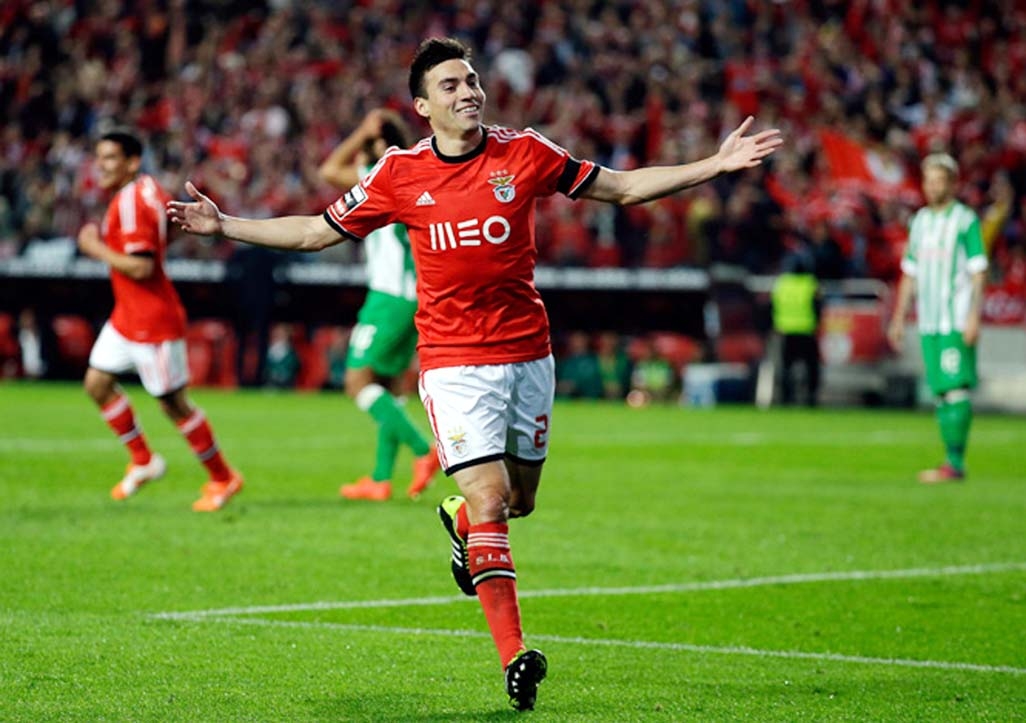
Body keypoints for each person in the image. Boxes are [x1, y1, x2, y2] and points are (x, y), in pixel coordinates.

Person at [167, 37, 782, 710]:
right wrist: (224, 225)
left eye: (473, 80)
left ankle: (460, 517)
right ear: (423, 106)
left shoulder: (526, 152)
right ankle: (515, 656)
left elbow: (624, 188)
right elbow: (316, 231)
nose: (469, 93)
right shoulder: (398, 173)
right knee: (494, 503)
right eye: (452, 86)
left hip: (528, 357)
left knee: (519, 501)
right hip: (455, 364)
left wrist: (715, 164)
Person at [77, 129, 243, 511]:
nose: (101, 166)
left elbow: (141, 266)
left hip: (152, 321)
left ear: (132, 162)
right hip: (126, 316)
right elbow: (166, 225)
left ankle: (223, 478)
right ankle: (144, 461)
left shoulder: (134, 201)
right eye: (99, 157)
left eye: (110, 158)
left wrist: (94, 248)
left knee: (173, 403)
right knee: (97, 383)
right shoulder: (146, 189)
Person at [318, 108, 440, 502]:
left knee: (357, 383)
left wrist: (361, 130)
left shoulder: (381, 175)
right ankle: (381, 478)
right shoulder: (417, 176)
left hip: (388, 296)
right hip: (415, 296)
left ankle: (424, 450)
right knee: (387, 386)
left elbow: (328, 170)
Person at [887, 153, 988, 484]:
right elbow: (909, 273)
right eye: (927, 181)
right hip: (929, 321)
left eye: (938, 181)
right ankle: (950, 461)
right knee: (942, 392)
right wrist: (899, 317)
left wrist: (974, 316)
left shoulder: (965, 220)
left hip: (955, 320)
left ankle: (954, 464)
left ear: (953, 183)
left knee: (956, 389)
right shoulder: (919, 221)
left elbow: (977, 271)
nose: (932, 187)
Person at [771, 250, 822, 406]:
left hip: (786, 330)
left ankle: (786, 397)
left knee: (786, 367)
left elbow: (773, 306)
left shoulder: (781, 284)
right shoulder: (811, 284)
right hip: (806, 330)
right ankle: (811, 397)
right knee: (811, 367)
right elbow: (817, 306)